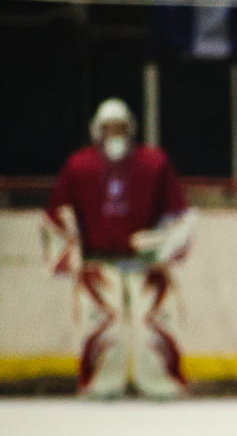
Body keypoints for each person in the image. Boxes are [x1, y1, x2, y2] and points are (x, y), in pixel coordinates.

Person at [42, 97, 195, 399]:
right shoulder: (79, 166)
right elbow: (58, 213)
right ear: (97, 130)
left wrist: (161, 242)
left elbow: (176, 213)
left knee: (154, 325)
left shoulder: (154, 163)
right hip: (97, 263)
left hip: (146, 264)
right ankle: (101, 382)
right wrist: (69, 249)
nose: (115, 133)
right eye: (109, 127)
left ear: (131, 129)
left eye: (120, 127)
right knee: (100, 326)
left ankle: (159, 381)